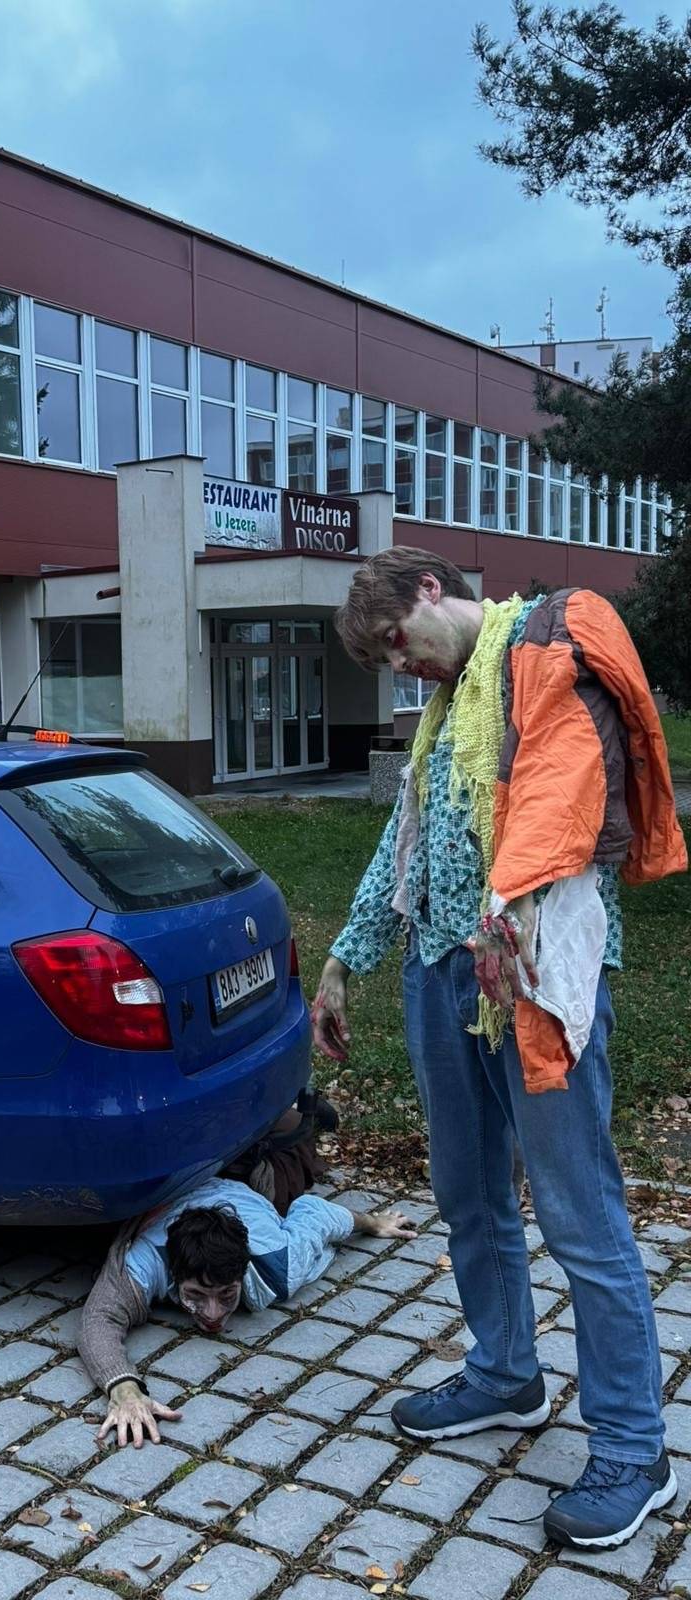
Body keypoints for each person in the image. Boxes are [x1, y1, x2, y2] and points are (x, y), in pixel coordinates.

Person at [312, 547, 686, 1551]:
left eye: (400, 642)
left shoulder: (543, 648)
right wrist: (346, 960)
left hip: (532, 975)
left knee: (578, 1209)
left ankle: (634, 1446)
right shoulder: (441, 711)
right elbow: (409, 836)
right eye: (388, 662)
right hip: (445, 973)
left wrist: (506, 912)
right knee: (468, 1194)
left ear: (428, 593)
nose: (405, 666)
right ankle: (506, 1373)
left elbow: (567, 797)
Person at [78, 1175, 415, 1448]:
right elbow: (99, 1318)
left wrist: (373, 1223)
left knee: (287, 1172)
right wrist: (123, 1389)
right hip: (174, 1185)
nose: (212, 1313)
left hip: (243, 1188)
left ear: (243, 1275)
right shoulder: (147, 1261)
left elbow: (319, 1213)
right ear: (173, 1273)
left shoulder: (278, 1265)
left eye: (227, 1295)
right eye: (195, 1295)